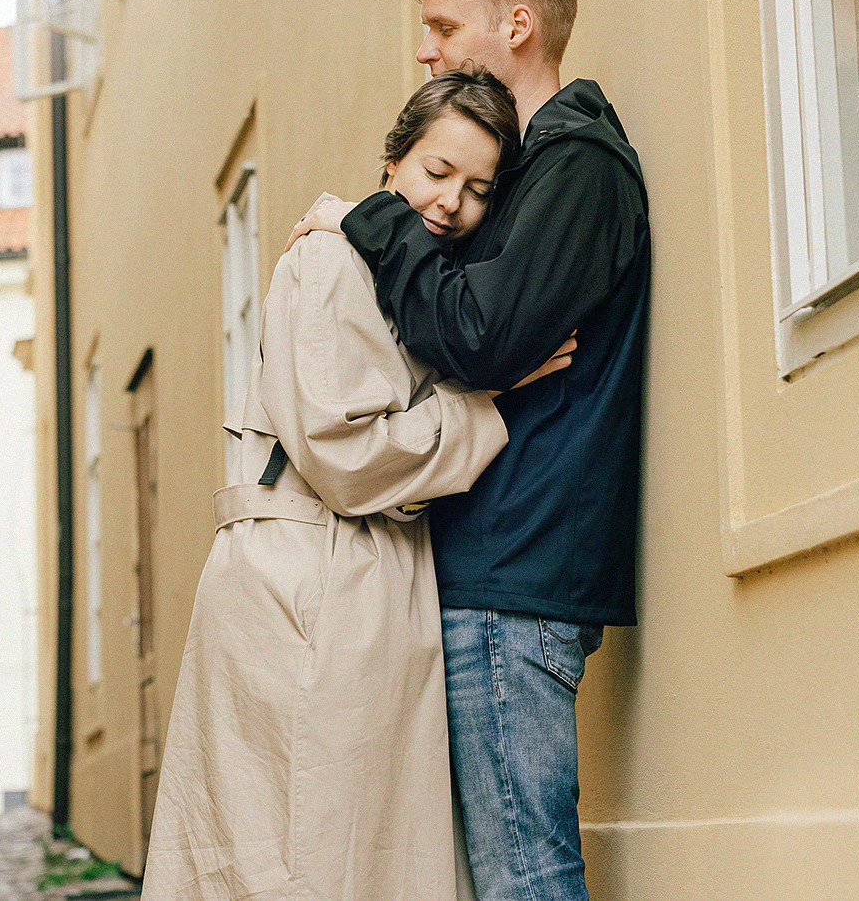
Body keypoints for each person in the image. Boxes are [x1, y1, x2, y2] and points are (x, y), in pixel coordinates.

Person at [141, 71, 576, 901]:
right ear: (392, 162)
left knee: (339, 847)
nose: (451, 203)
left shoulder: (403, 273)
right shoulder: (333, 260)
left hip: (350, 576)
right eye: (436, 172)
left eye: (480, 189)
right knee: (304, 852)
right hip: (308, 578)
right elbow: (346, 458)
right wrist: (487, 400)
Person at [291, 0, 650, 901]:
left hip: (513, 582)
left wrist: (362, 218)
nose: (426, 48)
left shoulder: (576, 164)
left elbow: (476, 338)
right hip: (492, 573)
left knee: (522, 880)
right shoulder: (524, 174)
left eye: (444, 26)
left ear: (518, 26)